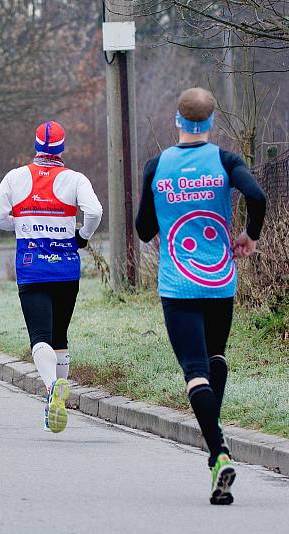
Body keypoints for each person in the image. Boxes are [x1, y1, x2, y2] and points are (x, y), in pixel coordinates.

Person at [135, 87, 266, 505]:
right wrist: (249, 235)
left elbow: (142, 230)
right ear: (211, 123)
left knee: (194, 372)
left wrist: (166, 202)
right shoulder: (225, 161)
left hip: (177, 284)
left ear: (178, 120)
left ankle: (219, 451)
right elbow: (258, 197)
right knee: (215, 359)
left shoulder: (158, 166)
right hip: (220, 282)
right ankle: (216, 446)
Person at [0, 120, 102, 434]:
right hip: (65, 267)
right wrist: (83, 236)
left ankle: (52, 389)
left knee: (39, 337)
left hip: (32, 266)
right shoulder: (74, 179)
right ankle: (58, 401)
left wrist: (21, 224)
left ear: (36, 145)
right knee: (59, 336)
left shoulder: (15, 177)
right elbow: (94, 211)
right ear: (62, 148)